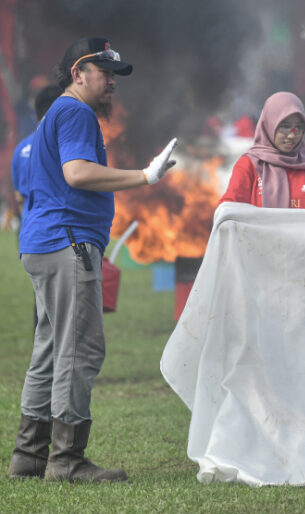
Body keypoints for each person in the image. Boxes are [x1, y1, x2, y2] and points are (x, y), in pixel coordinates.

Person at [9, 37, 177, 483]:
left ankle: (29, 457)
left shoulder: (57, 113)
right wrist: (146, 175)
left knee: (48, 349)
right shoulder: (76, 111)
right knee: (78, 349)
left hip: (44, 244)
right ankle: (65, 461)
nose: (112, 83)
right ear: (78, 73)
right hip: (68, 243)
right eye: (105, 73)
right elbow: (77, 173)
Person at [220, 91, 305, 209]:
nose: (292, 135)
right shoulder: (249, 165)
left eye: (298, 127)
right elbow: (230, 206)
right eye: (284, 126)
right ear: (269, 124)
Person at [11, 85, 63, 220]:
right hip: (58, 229)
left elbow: (19, 198)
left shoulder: (20, 148)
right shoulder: (63, 145)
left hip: (30, 229)